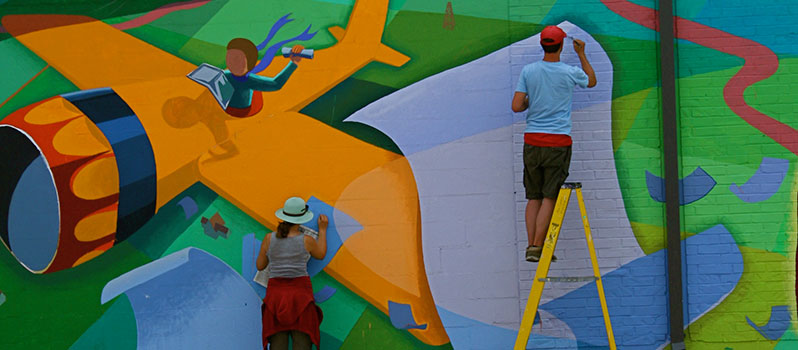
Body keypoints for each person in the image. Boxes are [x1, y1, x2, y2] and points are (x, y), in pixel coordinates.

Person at [511, 25, 597, 262]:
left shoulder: (529, 71)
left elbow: (517, 106)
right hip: (558, 143)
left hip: (532, 142)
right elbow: (591, 81)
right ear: (560, 46)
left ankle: (531, 245)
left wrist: (531, 102)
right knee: (550, 197)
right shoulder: (569, 72)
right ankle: (539, 247)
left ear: (542, 45)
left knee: (533, 197)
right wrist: (581, 54)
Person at [256, 196, 328, 350]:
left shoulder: (269, 238)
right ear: (301, 218)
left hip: (276, 297)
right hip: (300, 296)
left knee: (278, 345)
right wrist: (322, 230)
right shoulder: (307, 240)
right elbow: (321, 254)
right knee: (302, 343)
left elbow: (260, 266)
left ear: (283, 215)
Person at [224, 38, 304, 116]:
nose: (232, 61)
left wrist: (293, 63)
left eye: (237, 58)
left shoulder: (249, 80)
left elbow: (276, 84)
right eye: (229, 57)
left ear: (249, 61)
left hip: (239, 112)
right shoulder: (224, 74)